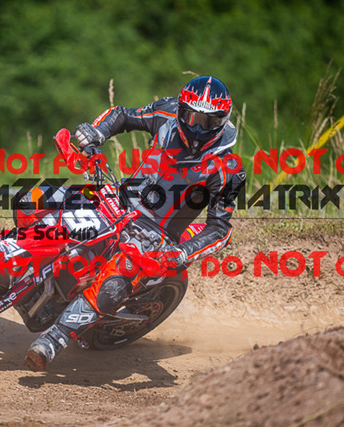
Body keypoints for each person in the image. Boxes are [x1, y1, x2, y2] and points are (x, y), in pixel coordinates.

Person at [24, 76, 246, 371]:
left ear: (222, 121)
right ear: (181, 109)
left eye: (208, 122)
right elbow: (122, 115)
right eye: (192, 117)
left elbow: (220, 229)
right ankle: (21, 272)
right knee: (32, 201)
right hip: (117, 199)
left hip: (155, 235)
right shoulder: (167, 112)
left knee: (119, 276)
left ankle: (55, 338)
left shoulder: (229, 169)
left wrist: (182, 253)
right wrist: (97, 132)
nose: (197, 128)